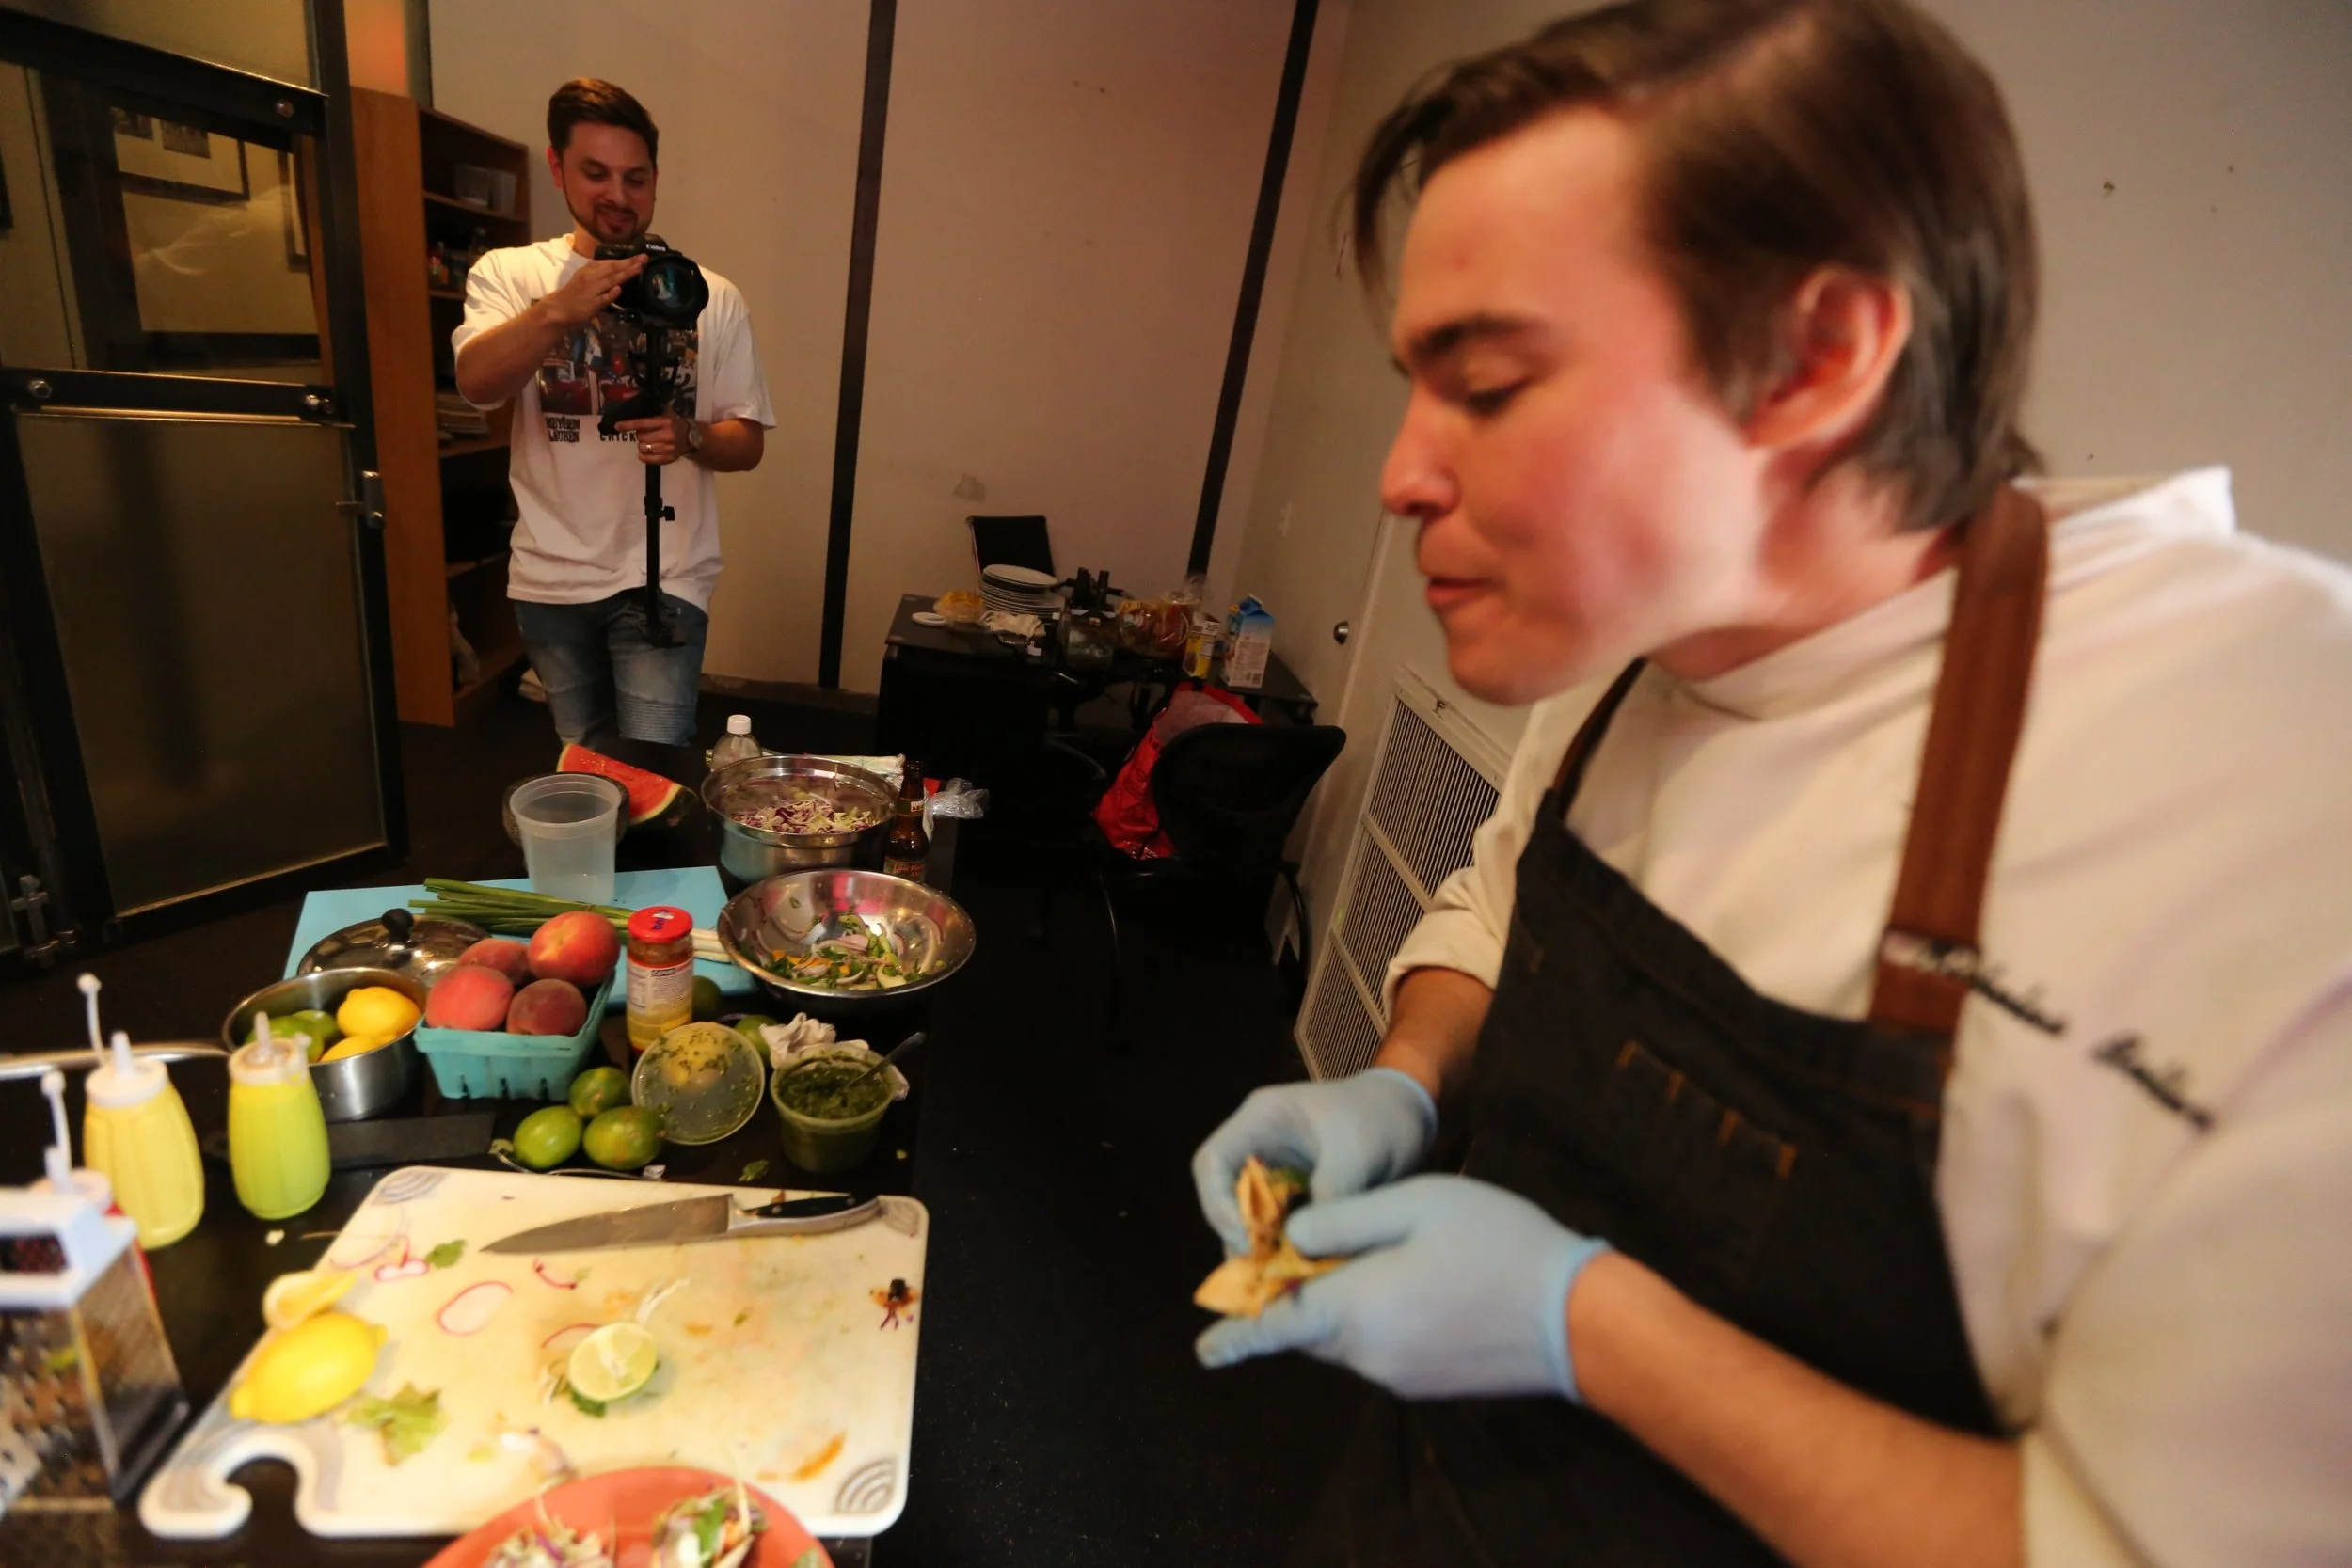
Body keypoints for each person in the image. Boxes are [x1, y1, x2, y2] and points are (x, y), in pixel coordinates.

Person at [1189, 3, 2352, 1564]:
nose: (1401, 474)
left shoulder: (2280, 795)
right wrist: (1404, 1075)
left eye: (1491, 383)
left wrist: (1585, 1323)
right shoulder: (1646, 620)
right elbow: (1500, 903)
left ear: (1815, 359)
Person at [453, 78, 772, 748]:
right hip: (550, 576)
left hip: (667, 575)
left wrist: (689, 435)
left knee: (655, 765)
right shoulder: (511, 275)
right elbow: (477, 385)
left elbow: (747, 443)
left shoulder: (709, 294)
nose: (617, 195)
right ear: (557, 168)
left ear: (655, 179)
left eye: (635, 178)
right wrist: (556, 311)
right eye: (595, 173)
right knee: (588, 767)